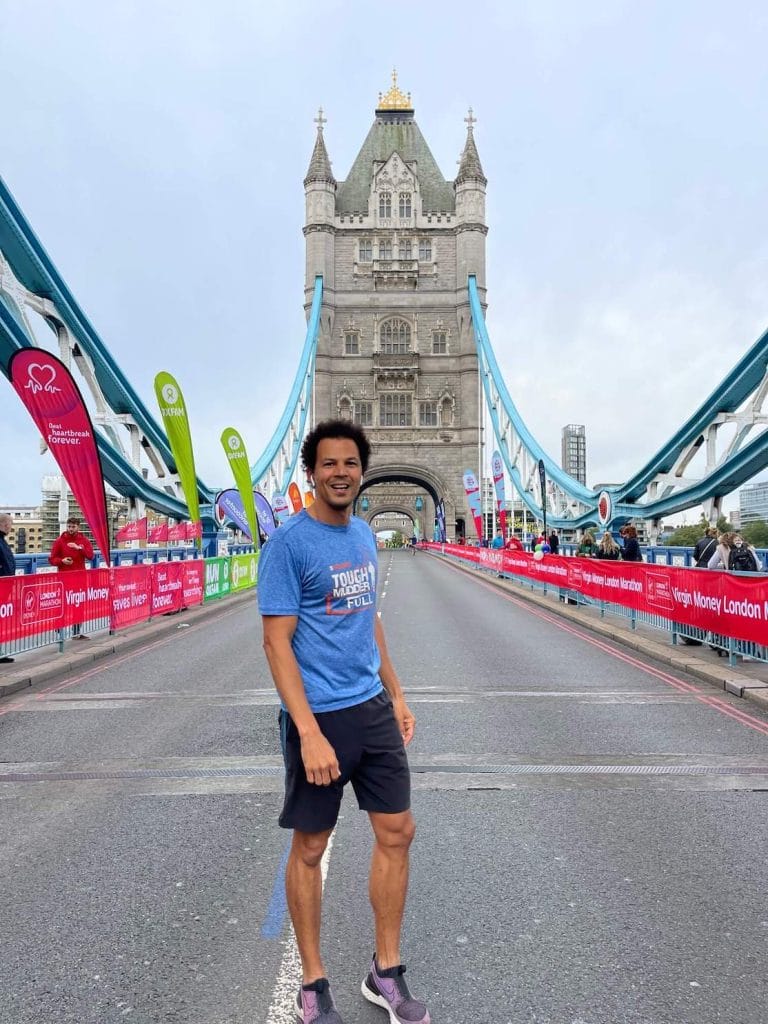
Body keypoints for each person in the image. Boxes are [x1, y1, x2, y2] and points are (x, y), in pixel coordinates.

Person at [258, 420, 429, 1024]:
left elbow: (368, 621)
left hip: (372, 709)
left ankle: (386, 970)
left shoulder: (363, 535)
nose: (340, 473)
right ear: (312, 474)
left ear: (362, 471)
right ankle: (312, 982)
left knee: (398, 832)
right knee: (311, 846)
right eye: (328, 464)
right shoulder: (288, 545)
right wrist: (307, 732)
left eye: (350, 463)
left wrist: (398, 695)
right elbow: (276, 644)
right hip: (320, 716)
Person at [50, 517, 94, 639]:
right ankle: (59, 628)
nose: (70, 529)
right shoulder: (59, 541)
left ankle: (76, 632)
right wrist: (62, 560)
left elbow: (91, 556)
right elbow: (52, 559)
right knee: (62, 603)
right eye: (69, 526)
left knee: (78, 604)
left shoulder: (84, 541)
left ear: (78, 527)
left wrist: (79, 548)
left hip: (80, 578)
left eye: (73, 527)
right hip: (64, 579)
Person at [0, 513, 16, 664]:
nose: (11, 527)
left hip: (5, 585)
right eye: (10, 524)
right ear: (5, 525)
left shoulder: (2, 540)